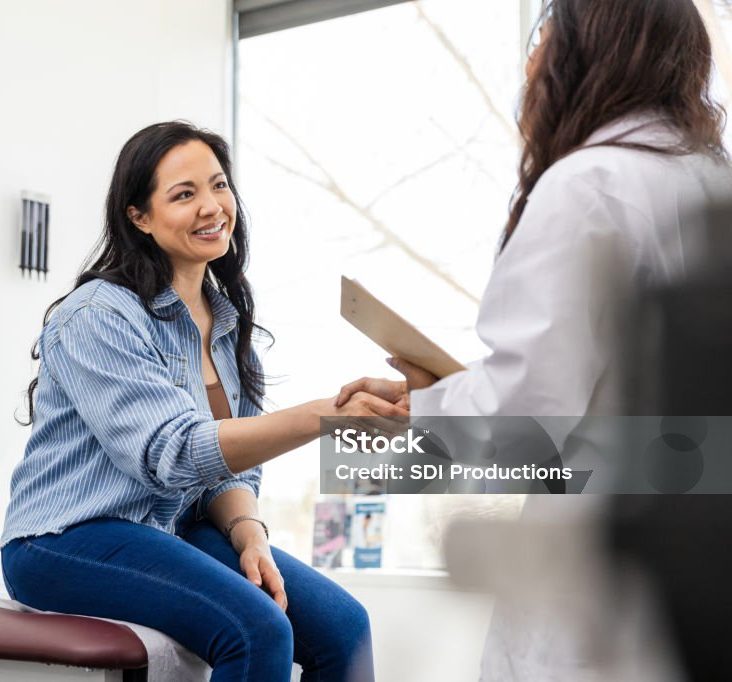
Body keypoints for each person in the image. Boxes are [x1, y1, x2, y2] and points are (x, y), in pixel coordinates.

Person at [335, 0, 732, 678]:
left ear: (589, 51)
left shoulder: (590, 184)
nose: (531, 64)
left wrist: (404, 423)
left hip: (602, 575)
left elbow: (530, 416)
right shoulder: (709, 180)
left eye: (543, 39)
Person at [0, 121, 407, 682]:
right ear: (138, 217)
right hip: (65, 538)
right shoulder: (97, 316)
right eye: (184, 194)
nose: (212, 207)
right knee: (257, 629)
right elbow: (176, 453)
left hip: (170, 528)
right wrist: (327, 416)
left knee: (344, 627)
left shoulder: (226, 323)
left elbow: (225, 470)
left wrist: (249, 534)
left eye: (219, 185)